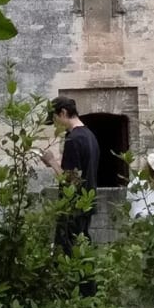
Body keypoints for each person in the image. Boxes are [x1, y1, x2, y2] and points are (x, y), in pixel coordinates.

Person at [41, 95, 100, 254]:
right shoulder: (90, 136)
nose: (55, 125)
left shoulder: (73, 139)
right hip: (86, 204)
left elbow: (72, 181)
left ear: (63, 113)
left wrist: (52, 162)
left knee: (67, 254)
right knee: (82, 251)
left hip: (72, 207)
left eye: (54, 119)